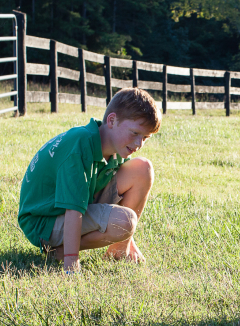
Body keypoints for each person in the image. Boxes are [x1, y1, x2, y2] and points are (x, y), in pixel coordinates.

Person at [18, 88, 160, 272]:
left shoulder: (115, 146)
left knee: (143, 169)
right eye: (135, 133)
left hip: (75, 203)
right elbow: (73, 208)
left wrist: (128, 239)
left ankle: (119, 249)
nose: (139, 144)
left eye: (145, 138)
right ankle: (58, 252)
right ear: (112, 120)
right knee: (125, 221)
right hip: (44, 220)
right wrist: (71, 262)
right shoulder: (80, 144)